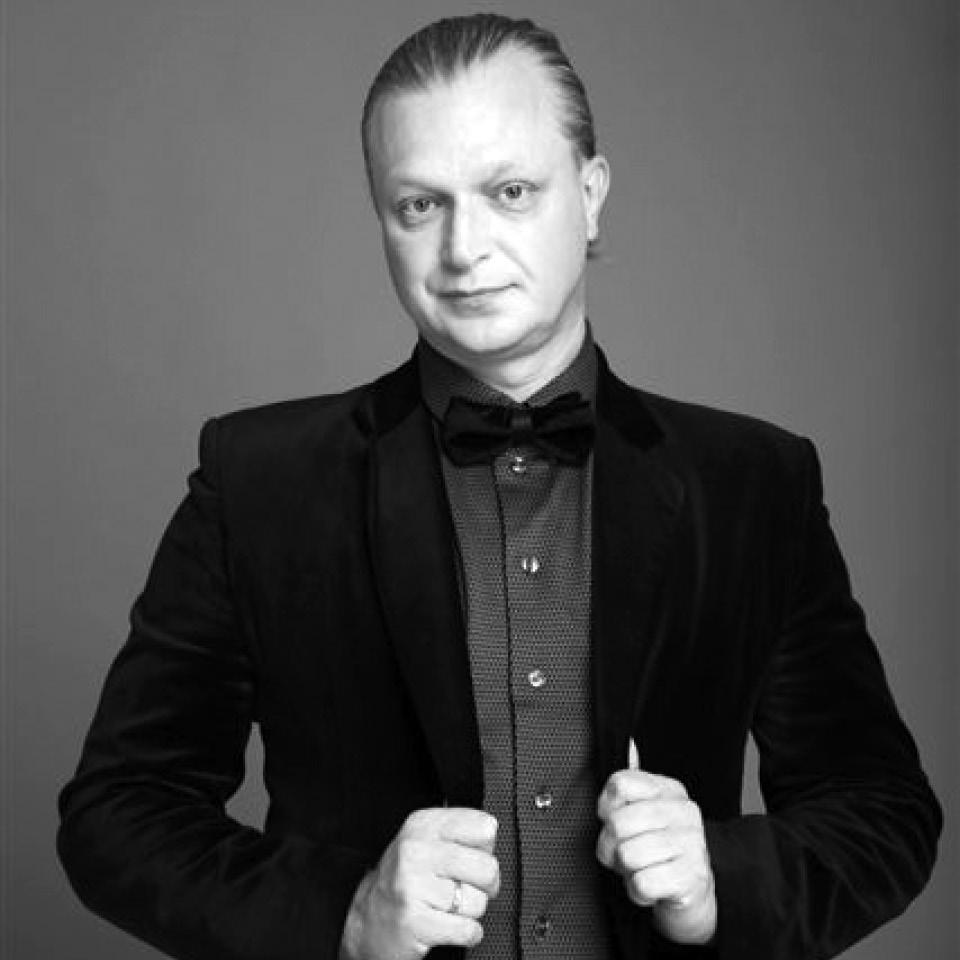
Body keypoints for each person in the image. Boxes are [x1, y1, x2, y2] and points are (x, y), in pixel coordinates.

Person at [58, 13, 941, 960]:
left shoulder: (756, 484)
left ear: (590, 197)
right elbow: (117, 814)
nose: (463, 248)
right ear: (381, 218)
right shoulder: (257, 481)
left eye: (510, 191)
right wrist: (344, 915)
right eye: (419, 205)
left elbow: (882, 810)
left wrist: (721, 883)